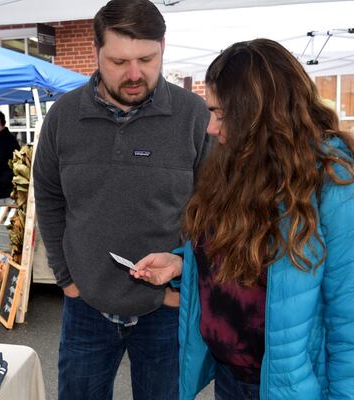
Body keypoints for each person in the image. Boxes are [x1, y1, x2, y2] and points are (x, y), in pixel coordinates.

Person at [132, 38, 354, 399]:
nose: (211, 127)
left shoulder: (332, 180)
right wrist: (181, 262)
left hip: (289, 387)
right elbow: (244, 258)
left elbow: (349, 319)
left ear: (260, 112)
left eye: (221, 114)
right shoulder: (237, 164)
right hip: (230, 377)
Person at [33, 0, 210, 398]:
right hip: (86, 308)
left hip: (166, 310)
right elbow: (48, 196)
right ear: (96, 52)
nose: (134, 74)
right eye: (118, 62)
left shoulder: (195, 116)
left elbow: (215, 209)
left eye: (147, 59)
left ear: (163, 46)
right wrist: (67, 280)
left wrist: (183, 279)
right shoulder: (63, 116)